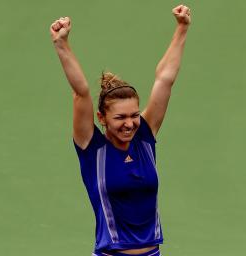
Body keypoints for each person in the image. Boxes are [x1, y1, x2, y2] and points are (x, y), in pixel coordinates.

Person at [50, 4, 191, 256]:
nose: (130, 123)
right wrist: (62, 44)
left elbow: (165, 79)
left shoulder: (145, 137)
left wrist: (182, 28)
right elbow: (80, 93)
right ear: (102, 118)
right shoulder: (92, 148)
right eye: (121, 117)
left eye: (134, 115)